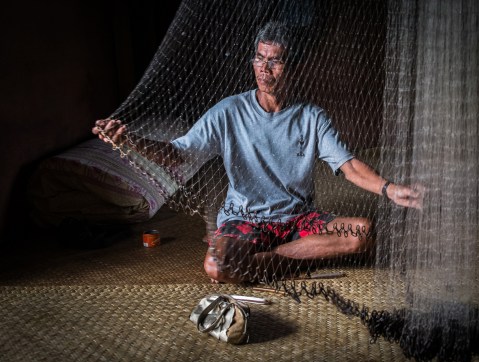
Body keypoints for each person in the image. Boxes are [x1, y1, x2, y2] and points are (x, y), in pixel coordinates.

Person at [93, 22, 422, 284]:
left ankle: (271, 260)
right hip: (244, 220)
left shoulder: (312, 117)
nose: (264, 69)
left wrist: (390, 189)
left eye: (275, 60)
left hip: (297, 220)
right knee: (217, 267)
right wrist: (132, 142)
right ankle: (296, 257)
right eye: (259, 58)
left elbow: (349, 167)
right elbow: (179, 154)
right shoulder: (228, 112)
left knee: (363, 233)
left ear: (294, 66)